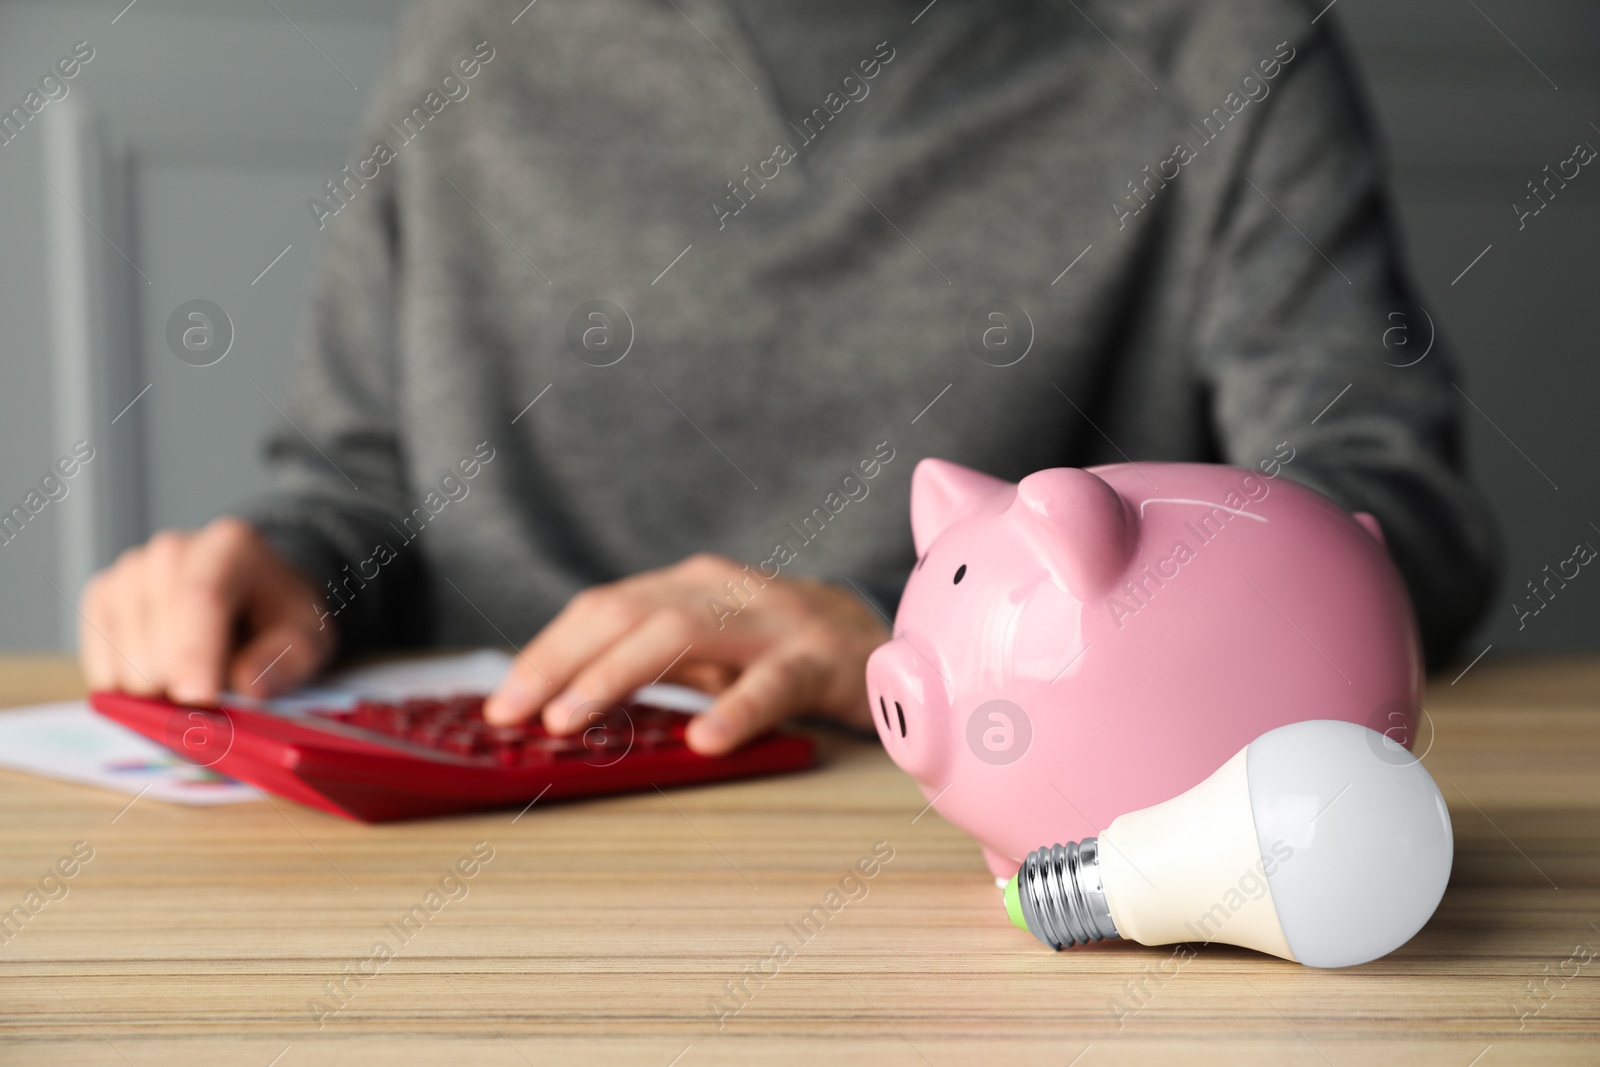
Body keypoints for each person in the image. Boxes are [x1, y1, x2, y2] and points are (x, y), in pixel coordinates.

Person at [77, 0, 1500, 754]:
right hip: (510, 820)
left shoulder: (1219, 44)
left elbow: (1390, 530)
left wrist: (908, 634)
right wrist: (288, 567)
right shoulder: (473, 38)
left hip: (984, 839)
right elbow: (363, 484)